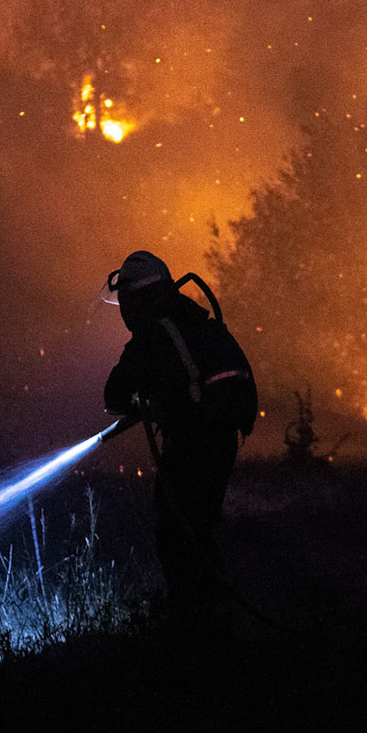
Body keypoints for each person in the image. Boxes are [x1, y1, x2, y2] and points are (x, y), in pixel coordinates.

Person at [103, 250, 257, 617]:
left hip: (194, 440)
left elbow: (114, 396)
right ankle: (208, 617)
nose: (124, 311)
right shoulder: (194, 321)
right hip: (222, 434)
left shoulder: (154, 334)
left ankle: (196, 626)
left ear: (139, 297)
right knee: (196, 529)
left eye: (125, 300)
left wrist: (149, 393)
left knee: (178, 534)